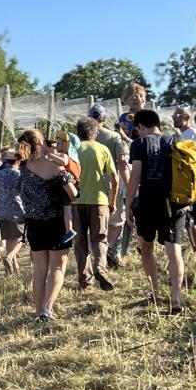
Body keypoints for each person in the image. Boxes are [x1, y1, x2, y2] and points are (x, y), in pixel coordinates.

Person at [125, 109, 187, 313]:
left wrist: (128, 204)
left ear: (141, 127)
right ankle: (176, 299)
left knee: (146, 246)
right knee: (174, 249)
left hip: (147, 202)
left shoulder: (139, 143)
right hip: (174, 201)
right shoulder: (175, 139)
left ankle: (155, 292)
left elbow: (135, 175)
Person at [17, 129, 77, 321]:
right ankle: (47, 308)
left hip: (33, 224)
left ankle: (37, 311)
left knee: (39, 270)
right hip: (56, 223)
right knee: (58, 268)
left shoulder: (23, 168)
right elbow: (73, 193)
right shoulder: (54, 168)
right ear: (41, 142)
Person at [71, 117, 118, 291]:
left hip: (76, 201)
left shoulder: (73, 150)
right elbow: (114, 178)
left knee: (80, 240)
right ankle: (100, 268)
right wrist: (112, 201)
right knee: (99, 238)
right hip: (99, 201)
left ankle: (85, 279)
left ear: (78, 132)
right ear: (95, 132)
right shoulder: (102, 149)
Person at [90, 104, 130, 269]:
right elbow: (122, 162)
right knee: (116, 222)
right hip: (111, 185)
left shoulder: (82, 138)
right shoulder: (114, 137)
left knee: (95, 224)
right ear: (104, 119)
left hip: (89, 187)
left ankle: (98, 255)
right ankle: (107, 250)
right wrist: (130, 187)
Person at [173, 106, 196, 251]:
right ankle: (195, 247)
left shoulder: (194, 134)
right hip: (184, 182)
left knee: (191, 219)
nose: (174, 119)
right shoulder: (180, 135)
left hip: (193, 181)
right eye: (174, 116)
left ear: (187, 118)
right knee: (187, 219)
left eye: (178, 116)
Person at [0, 149, 25, 275]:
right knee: (20, 237)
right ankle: (10, 257)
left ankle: (12, 269)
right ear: (17, 161)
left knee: (8, 238)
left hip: (1, 209)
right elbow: (24, 192)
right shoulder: (19, 174)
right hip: (16, 209)